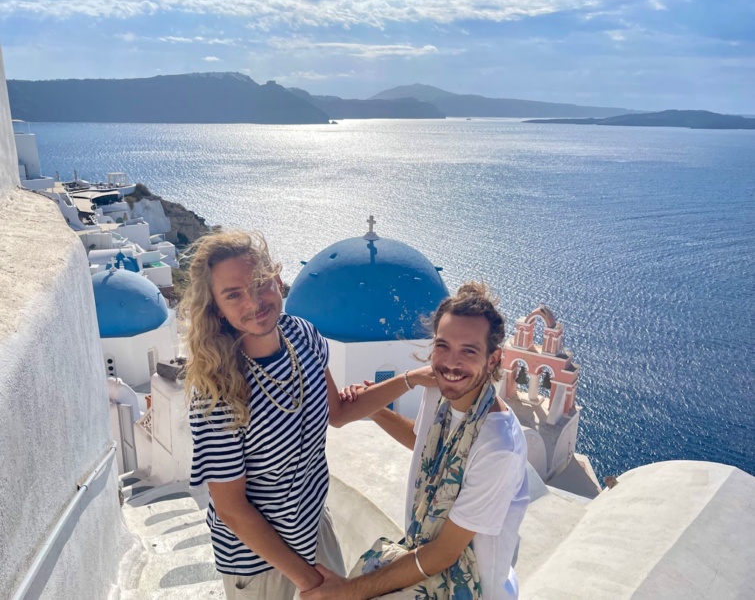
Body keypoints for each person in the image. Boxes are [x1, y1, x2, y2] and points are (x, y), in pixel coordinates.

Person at [182, 230, 436, 599]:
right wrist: (311, 582)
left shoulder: (303, 336)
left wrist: (412, 378)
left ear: (277, 278)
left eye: (259, 283)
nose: (254, 301)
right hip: (260, 563)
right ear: (217, 308)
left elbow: (339, 412)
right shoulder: (217, 389)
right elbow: (232, 509)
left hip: (314, 530)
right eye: (233, 295)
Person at [303, 282, 529, 600]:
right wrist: (376, 409)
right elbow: (423, 442)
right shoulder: (439, 391)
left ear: (493, 360)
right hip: (422, 552)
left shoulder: (498, 447)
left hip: (467, 585)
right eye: (443, 345)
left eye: (469, 350)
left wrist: (349, 591)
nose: (451, 363)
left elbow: (445, 553)